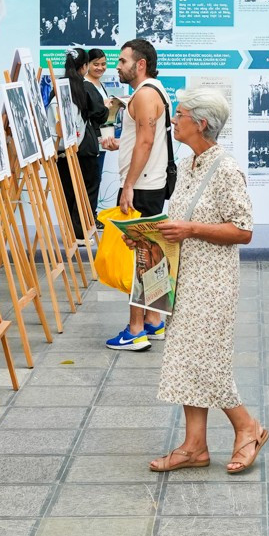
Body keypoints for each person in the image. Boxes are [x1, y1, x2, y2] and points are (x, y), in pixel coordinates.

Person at [146, 86, 269, 475]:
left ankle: (247, 426)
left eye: (179, 114)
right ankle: (195, 446)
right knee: (184, 357)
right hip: (183, 275)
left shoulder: (226, 169)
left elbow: (244, 230)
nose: (173, 120)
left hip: (213, 281)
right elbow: (179, 220)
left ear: (200, 124)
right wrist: (149, 233)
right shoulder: (187, 164)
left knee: (207, 360)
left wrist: (191, 229)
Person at [105, 38, 175, 352]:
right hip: (151, 183)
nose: (117, 66)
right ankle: (153, 321)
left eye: (122, 61)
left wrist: (129, 185)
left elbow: (146, 143)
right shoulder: (154, 91)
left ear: (140, 64)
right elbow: (144, 139)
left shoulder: (145, 94)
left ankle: (136, 330)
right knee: (152, 253)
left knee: (140, 256)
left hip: (143, 186)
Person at [64, 48, 110, 231]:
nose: (100, 68)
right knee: (88, 187)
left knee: (70, 189)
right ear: (85, 66)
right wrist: (106, 108)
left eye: (103, 64)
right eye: (95, 64)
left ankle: (73, 229)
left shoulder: (60, 85)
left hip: (65, 146)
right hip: (86, 145)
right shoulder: (86, 86)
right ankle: (83, 229)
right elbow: (100, 114)